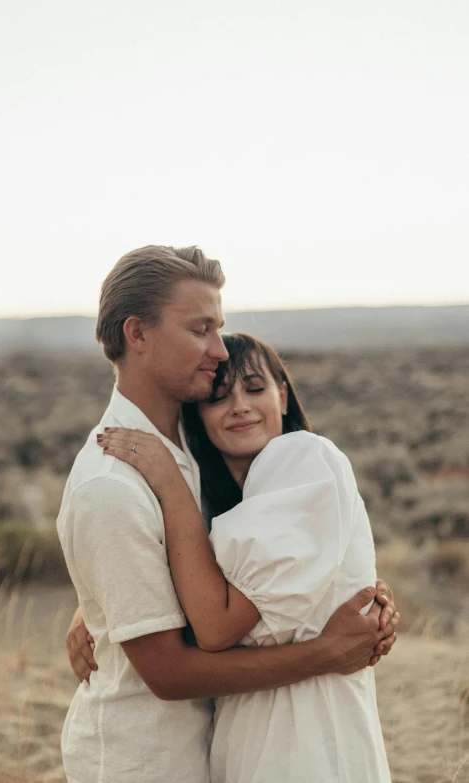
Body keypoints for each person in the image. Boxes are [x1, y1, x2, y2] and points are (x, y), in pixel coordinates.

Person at [58, 245, 398, 783]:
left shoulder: (195, 460)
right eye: (199, 330)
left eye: (219, 328)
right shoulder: (114, 483)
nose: (218, 349)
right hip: (143, 763)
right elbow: (170, 668)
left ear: (283, 396)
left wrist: (99, 609)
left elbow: (222, 564)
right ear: (137, 335)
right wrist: (328, 652)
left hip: (237, 749)